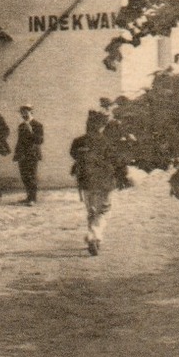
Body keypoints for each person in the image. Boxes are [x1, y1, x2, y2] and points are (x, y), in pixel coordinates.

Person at [70, 107, 123, 256]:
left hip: (86, 182)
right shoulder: (107, 142)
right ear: (102, 125)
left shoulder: (78, 141)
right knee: (104, 210)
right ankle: (95, 235)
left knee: (92, 211)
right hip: (104, 182)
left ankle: (94, 239)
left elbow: (74, 155)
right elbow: (116, 160)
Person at [13, 105, 44, 205]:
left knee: (31, 176)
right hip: (22, 155)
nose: (24, 114)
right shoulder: (21, 126)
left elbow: (40, 140)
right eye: (22, 112)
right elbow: (19, 141)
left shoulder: (38, 125)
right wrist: (16, 153)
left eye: (26, 112)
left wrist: (31, 131)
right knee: (24, 176)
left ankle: (32, 199)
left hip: (32, 154)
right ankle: (28, 196)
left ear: (31, 112)